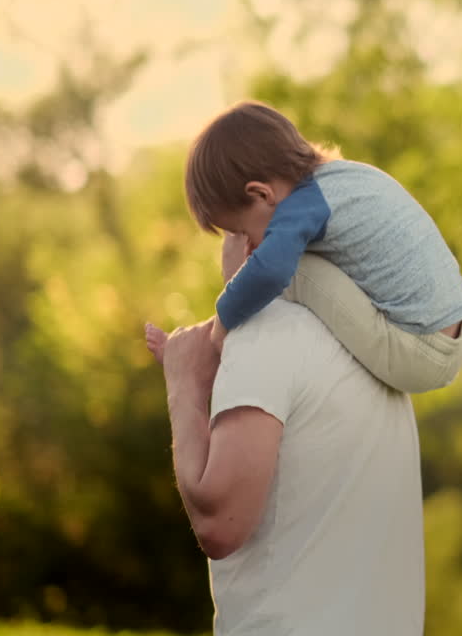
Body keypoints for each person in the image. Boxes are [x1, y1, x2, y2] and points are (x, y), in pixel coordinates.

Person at [160, 233, 425, 634]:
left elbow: (220, 525)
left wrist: (185, 386)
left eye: (225, 231)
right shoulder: (375, 353)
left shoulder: (264, 330)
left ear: (249, 242)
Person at [147, 100, 462, 395]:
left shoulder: (303, 206)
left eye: (242, 232)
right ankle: (207, 334)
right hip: (449, 337)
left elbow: (269, 272)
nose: (249, 245)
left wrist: (223, 322)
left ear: (262, 194)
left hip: (419, 354)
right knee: (276, 266)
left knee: (287, 269)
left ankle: (215, 347)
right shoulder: (340, 179)